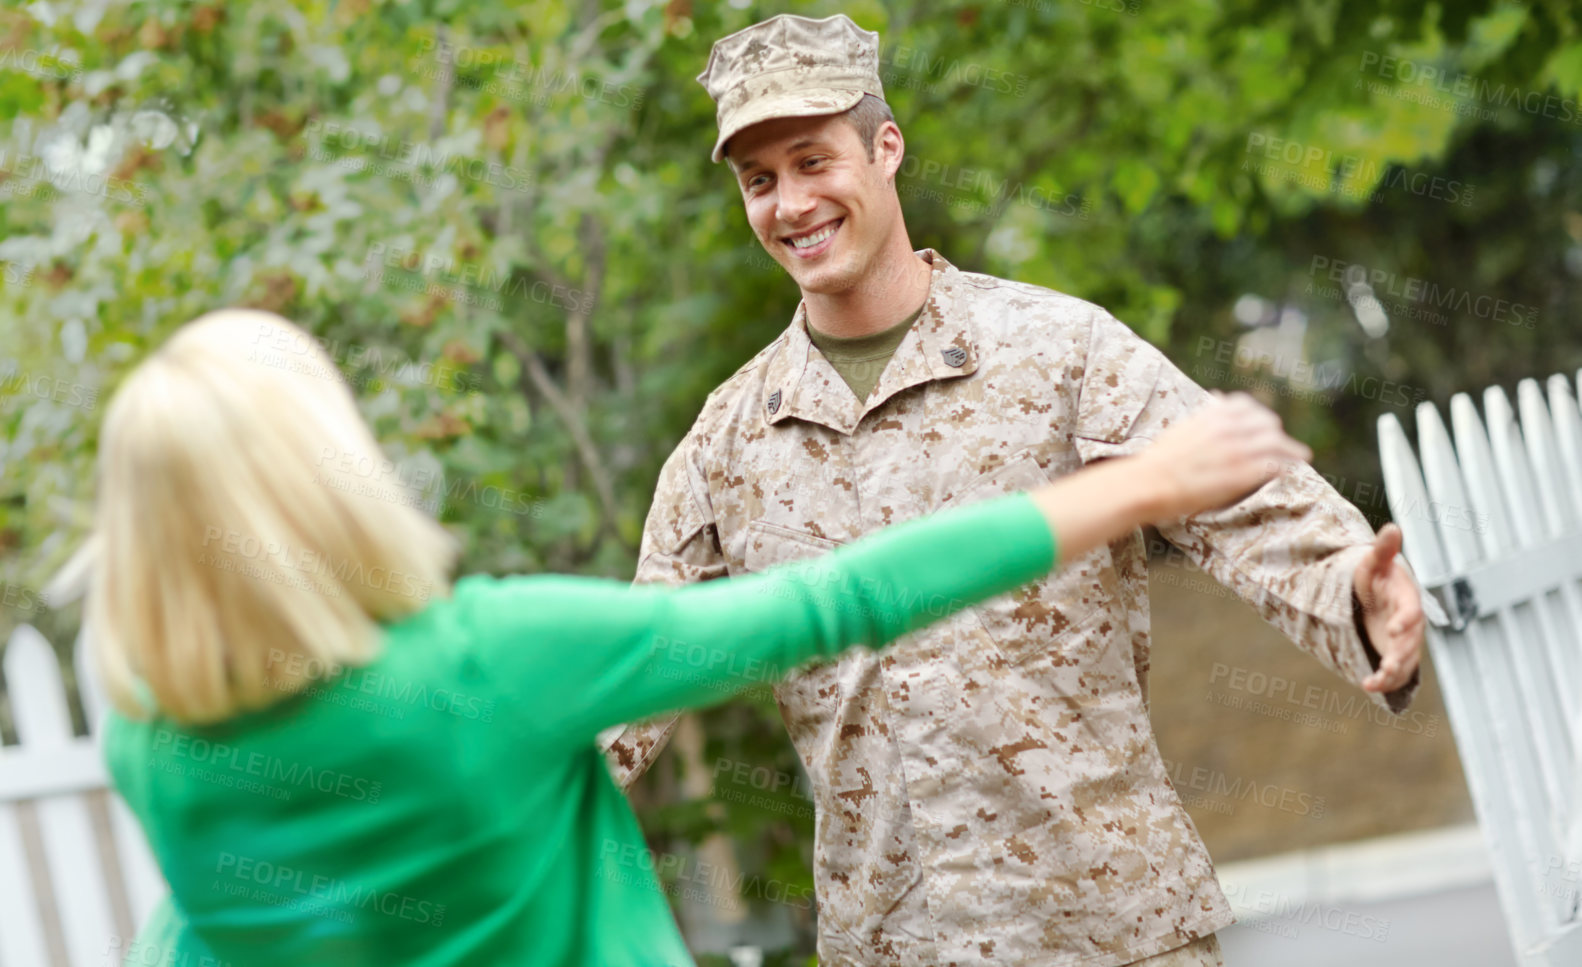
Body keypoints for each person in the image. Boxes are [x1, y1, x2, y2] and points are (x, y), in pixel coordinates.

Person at [86, 307, 1307, 967]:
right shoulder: (491, 661)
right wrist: (1135, 487)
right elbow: (835, 602)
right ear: (324, 483)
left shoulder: (152, 749)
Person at [599, 13, 1428, 967]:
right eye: (759, 181)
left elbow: (1243, 500)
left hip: (1114, 933)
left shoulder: (1056, 348)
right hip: (894, 945)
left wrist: (1354, 591)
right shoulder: (728, 441)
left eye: (812, 161)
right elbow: (635, 671)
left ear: (885, 147)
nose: (791, 203)